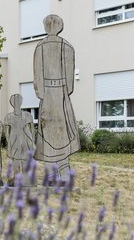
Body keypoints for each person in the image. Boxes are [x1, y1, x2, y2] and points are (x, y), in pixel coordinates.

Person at [33, 14, 80, 176]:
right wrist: (63, 93)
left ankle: (55, 168)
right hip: (60, 93)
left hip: (48, 94)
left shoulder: (40, 47)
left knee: (52, 130)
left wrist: (42, 94)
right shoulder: (67, 47)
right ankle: (61, 167)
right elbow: (69, 80)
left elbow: (37, 77)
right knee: (61, 130)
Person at [4, 93, 35, 177]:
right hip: (14, 140)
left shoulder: (27, 115)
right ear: (11, 103)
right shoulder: (8, 117)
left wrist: (32, 142)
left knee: (25, 159)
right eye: (14, 101)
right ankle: (16, 178)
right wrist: (9, 143)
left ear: (21, 102)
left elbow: (32, 129)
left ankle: (26, 178)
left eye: (18, 101)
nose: (17, 103)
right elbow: (6, 131)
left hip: (25, 140)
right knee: (16, 161)